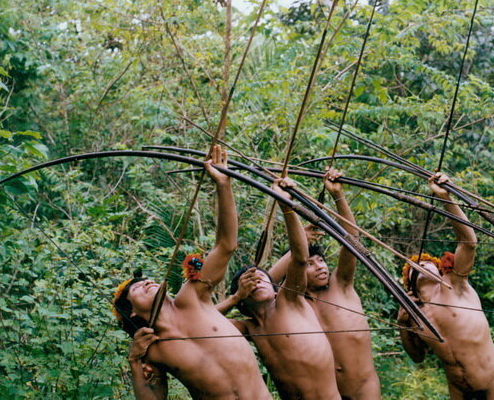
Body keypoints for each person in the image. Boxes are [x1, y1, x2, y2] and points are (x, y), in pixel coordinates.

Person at [112, 145, 272, 400]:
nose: (147, 282)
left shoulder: (192, 295)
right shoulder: (153, 351)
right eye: (137, 288)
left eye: (148, 280)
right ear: (131, 312)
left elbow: (226, 245)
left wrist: (223, 184)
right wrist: (134, 361)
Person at [216, 177, 341, 400]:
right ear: (244, 300)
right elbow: (201, 321)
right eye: (249, 282)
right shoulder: (249, 329)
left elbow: (300, 258)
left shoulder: (289, 301)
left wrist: (286, 207)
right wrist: (235, 297)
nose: (258, 282)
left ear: (274, 288)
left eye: (263, 278)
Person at [264, 167, 381, 399]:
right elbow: (265, 281)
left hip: (363, 389)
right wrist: (301, 242)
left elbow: (352, 241)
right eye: (311, 263)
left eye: (322, 261)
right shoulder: (292, 303)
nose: (321, 266)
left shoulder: (342, 284)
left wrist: (338, 195)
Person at [397, 173, 494, 400]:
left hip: (493, 381)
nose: (421, 265)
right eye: (415, 266)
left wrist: (445, 198)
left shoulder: (454, 284)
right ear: (410, 282)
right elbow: (417, 357)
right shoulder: (414, 315)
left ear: (439, 269)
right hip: (458, 389)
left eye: (427, 263)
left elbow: (468, 242)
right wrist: (402, 324)